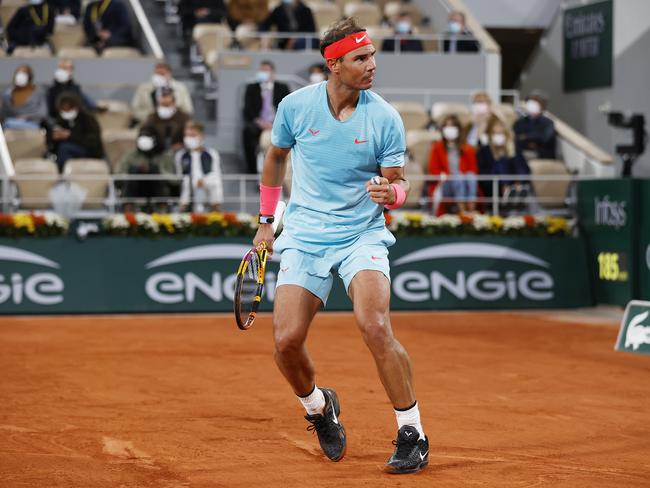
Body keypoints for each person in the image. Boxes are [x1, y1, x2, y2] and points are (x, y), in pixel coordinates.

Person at [253, 18, 429, 474]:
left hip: (361, 235)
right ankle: (317, 406)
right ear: (334, 65)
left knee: (374, 325)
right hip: (306, 234)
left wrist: (393, 195)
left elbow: (399, 183)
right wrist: (266, 222)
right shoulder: (295, 107)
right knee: (286, 342)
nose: (373, 65)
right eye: (361, 58)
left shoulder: (385, 117)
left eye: (372, 55)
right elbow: (276, 158)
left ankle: (413, 431)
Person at [241, 60, 290, 173]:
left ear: (272, 73)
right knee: (247, 132)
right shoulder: (251, 88)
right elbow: (247, 109)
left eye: (265, 70)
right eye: (261, 70)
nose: (262, 72)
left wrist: (274, 124)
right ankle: (252, 170)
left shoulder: (282, 87)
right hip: (258, 124)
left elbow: (288, 108)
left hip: (277, 123)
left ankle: (280, 169)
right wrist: (259, 122)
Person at [115, 125, 176, 212]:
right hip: (135, 190)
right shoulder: (130, 155)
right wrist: (136, 171)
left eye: (147, 136)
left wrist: (156, 171)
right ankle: (129, 207)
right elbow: (118, 176)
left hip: (158, 191)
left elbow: (174, 180)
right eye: (141, 136)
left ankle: (162, 208)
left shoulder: (165, 156)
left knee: (154, 170)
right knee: (133, 170)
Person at [428, 114, 477, 213]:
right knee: (457, 176)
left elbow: (473, 169)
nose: (450, 129)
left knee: (471, 177)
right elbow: (433, 169)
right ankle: (463, 211)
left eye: (453, 126)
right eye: (447, 126)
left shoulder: (467, 148)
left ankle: (471, 209)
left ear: (458, 129)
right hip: (446, 183)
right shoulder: (437, 148)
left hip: (464, 182)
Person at [476, 115, 530, 204]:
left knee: (513, 162)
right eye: (495, 133)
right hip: (493, 187)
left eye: (501, 133)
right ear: (490, 135)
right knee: (500, 164)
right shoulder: (484, 151)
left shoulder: (514, 149)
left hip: (513, 185)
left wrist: (518, 181)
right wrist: (501, 184)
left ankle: (514, 193)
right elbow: (482, 173)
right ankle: (506, 192)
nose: (498, 136)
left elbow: (524, 169)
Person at [46, 93, 104, 172]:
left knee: (65, 148)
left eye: (68, 109)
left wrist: (70, 135)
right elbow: (51, 142)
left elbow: (93, 142)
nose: (66, 112)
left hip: (89, 151)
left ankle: (61, 175)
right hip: (66, 152)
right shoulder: (60, 120)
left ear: (75, 107)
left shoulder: (88, 119)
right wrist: (53, 137)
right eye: (63, 110)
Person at [175, 120, 224, 212]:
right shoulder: (181, 155)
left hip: (207, 182)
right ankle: (183, 208)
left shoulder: (211, 154)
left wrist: (204, 180)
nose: (188, 138)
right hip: (189, 182)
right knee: (186, 181)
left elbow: (216, 173)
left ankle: (216, 210)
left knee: (216, 182)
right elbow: (179, 174)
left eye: (192, 135)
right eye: (187, 136)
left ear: (201, 136)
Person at [140, 87, 191, 152]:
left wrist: (183, 144)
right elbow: (145, 131)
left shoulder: (184, 117)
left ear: (174, 103)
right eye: (162, 105)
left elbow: (190, 133)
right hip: (157, 151)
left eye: (167, 105)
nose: (164, 107)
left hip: (179, 151)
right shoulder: (152, 117)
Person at [1, 65, 47, 130]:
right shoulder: (8, 93)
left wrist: (27, 117)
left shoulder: (38, 92)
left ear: (29, 76)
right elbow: (4, 114)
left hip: (33, 124)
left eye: (24, 73)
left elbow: (43, 113)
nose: (20, 76)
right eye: (18, 73)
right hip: (11, 124)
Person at [513, 90, 557, 160]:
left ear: (542, 105)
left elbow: (544, 138)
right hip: (521, 151)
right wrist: (528, 139)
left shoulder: (548, 122)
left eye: (536, 102)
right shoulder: (521, 121)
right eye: (530, 101)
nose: (532, 105)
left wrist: (525, 137)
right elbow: (515, 136)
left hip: (541, 154)